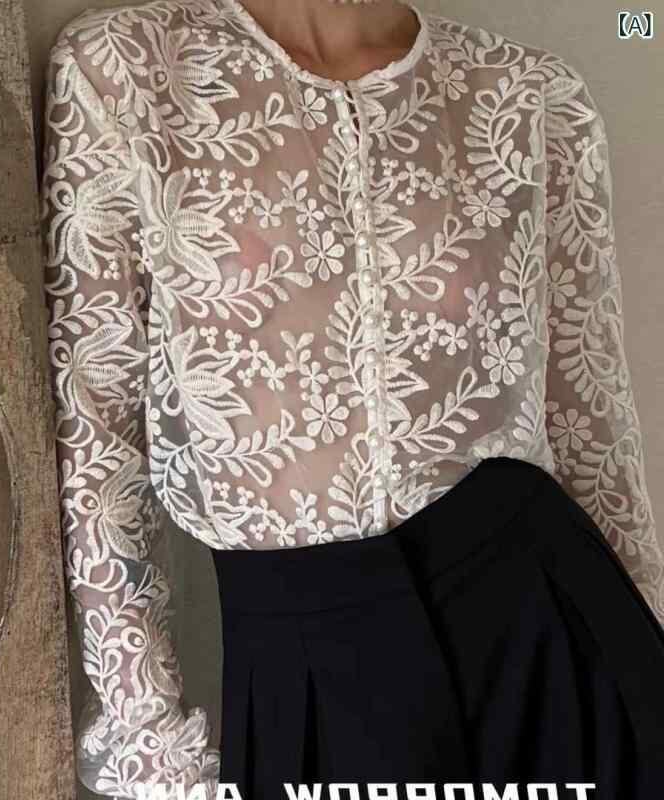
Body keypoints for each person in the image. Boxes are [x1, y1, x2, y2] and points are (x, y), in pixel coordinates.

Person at [39, 0, 664, 797]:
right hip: (302, 663)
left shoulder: (530, 95)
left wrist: (648, 640)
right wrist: (152, 743)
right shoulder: (127, 71)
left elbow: (591, 419)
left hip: (547, 637)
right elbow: (97, 433)